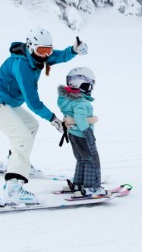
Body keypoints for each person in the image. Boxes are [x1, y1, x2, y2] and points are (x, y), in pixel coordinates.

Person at [0, 27, 89, 206]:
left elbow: (58, 56)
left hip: (8, 103)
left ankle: (16, 162)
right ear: (31, 47)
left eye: (48, 50)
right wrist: (53, 119)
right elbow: (32, 102)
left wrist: (73, 50)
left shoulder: (38, 57)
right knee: (22, 137)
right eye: (42, 51)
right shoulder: (22, 65)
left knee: (31, 126)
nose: (46, 55)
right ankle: (13, 188)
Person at [57, 67, 106, 199]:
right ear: (82, 84)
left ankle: (79, 184)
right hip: (83, 134)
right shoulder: (81, 103)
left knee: (81, 159)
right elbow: (79, 119)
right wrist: (87, 131)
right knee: (91, 160)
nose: (90, 88)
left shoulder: (66, 100)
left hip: (73, 134)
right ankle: (91, 187)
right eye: (89, 85)